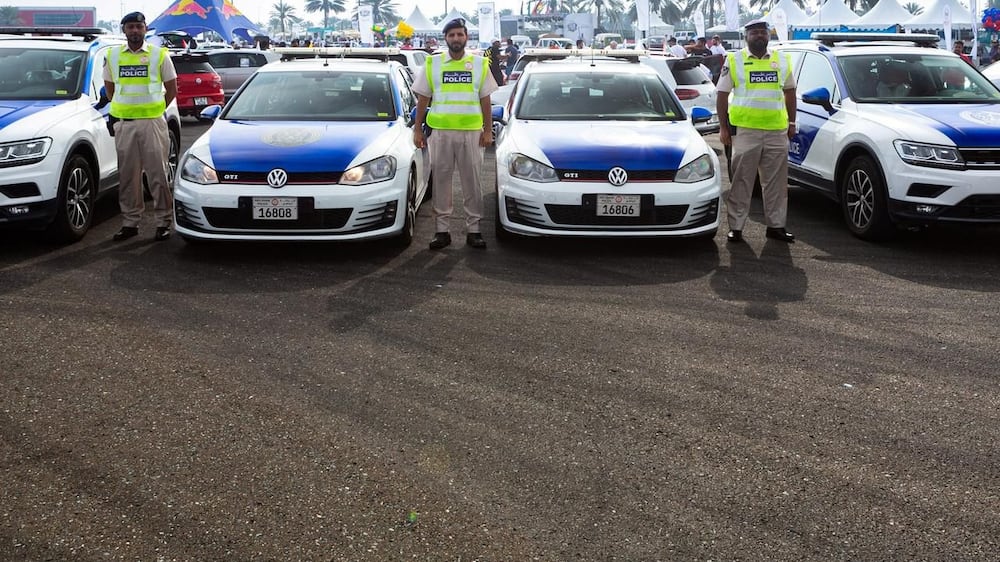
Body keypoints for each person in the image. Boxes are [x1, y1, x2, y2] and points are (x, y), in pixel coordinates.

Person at [412, 18, 498, 250]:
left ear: (466, 37)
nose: (456, 39)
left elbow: (485, 99)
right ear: (446, 39)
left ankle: (474, 230)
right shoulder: (433, 63)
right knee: (441, 182)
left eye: (460, 34)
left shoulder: (480, 63)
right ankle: (442, 231)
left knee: (472, 182)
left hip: (471, 133)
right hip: (440, 133)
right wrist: (417, 128)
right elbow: (423, 98)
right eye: (452, 35)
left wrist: (488, 129)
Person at [716, 19, 797, 244]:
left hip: (776, 131)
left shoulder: (781, 59)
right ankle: (736, 228)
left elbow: (790, 92)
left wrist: (791, 124)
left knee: (776, 183)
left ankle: (776, 226)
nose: (759, 36)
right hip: (745, 132)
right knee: (742, 181)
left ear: (768, 36)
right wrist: (723, 128)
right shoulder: (734, 60)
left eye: (763, 32)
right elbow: (722, 95)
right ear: (746, 36)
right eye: (754, 33)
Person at [103, 11, 177, 242]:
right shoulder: (112, 56)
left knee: (158, 175)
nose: (134, 31)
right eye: (130, 27)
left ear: (145, 29)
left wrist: (154, 110)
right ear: (124, 30)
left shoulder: (159, 55)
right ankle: (130, 222)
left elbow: (171, 88)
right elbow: (110, 89)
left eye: (138, 26)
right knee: (127, 177)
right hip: (125, 125)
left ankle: (163, 221)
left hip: (152, 124)